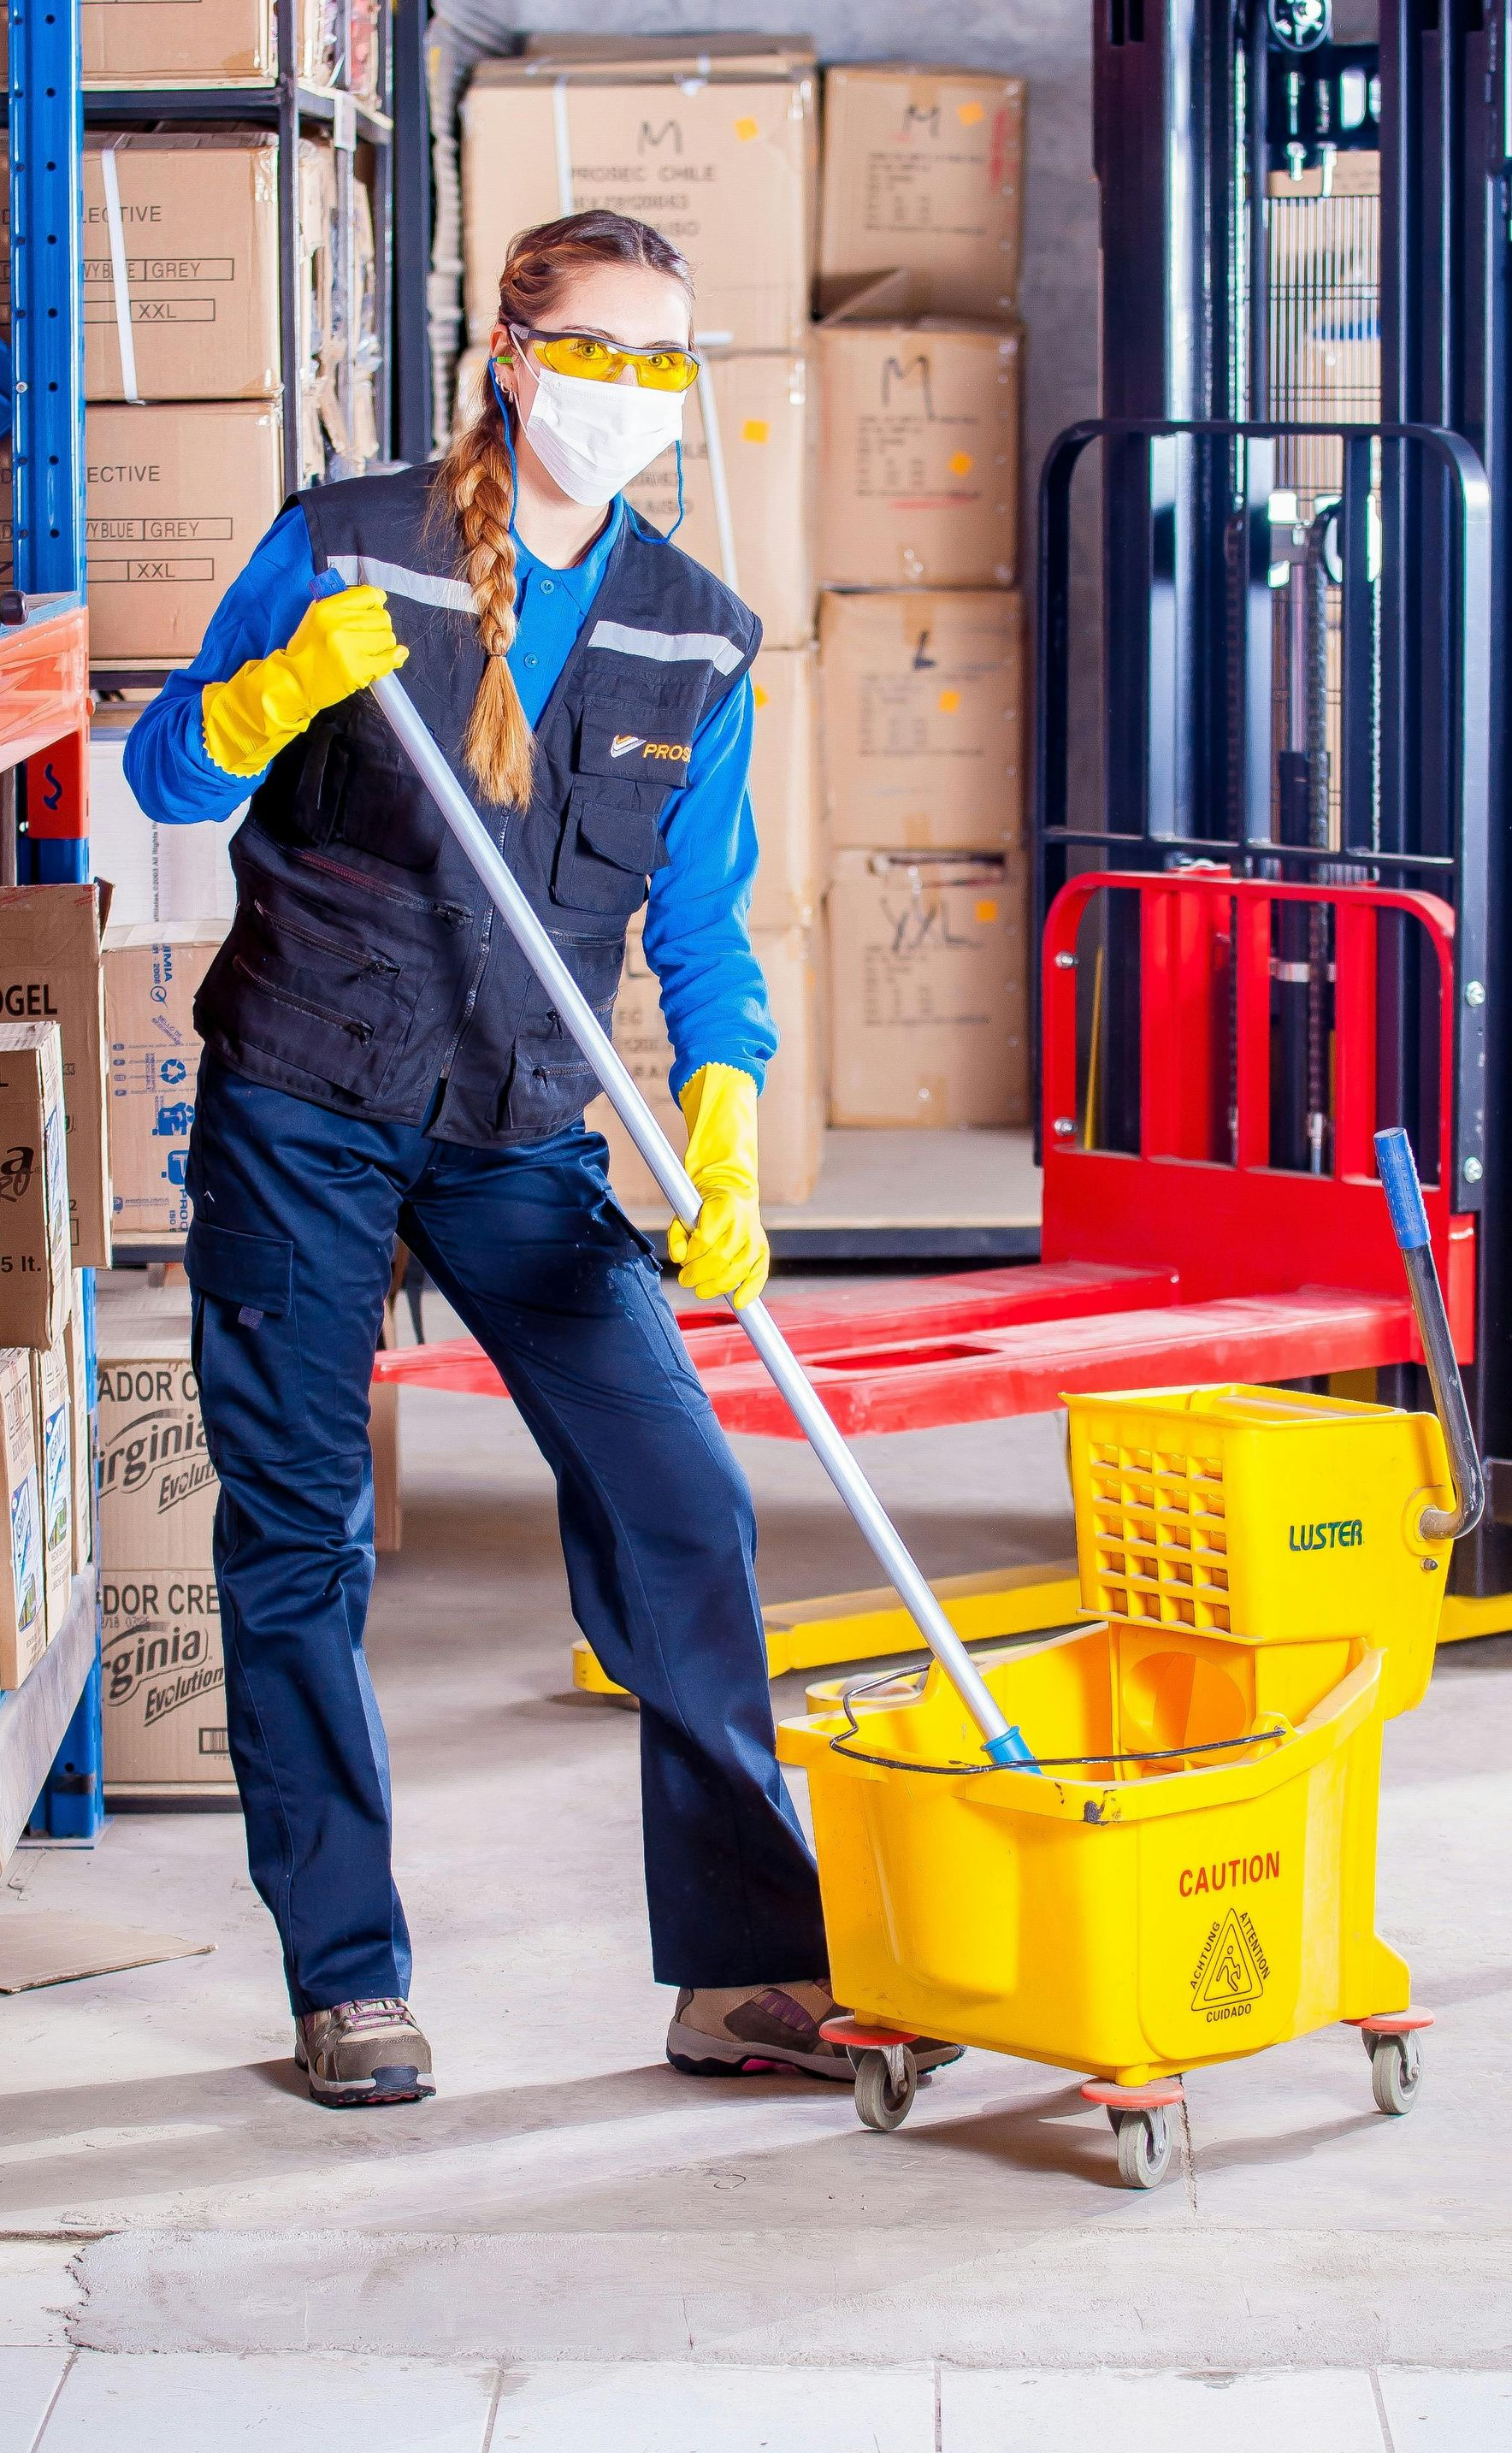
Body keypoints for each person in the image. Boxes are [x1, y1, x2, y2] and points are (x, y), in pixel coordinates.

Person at [127, 209, 962, 2110]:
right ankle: (346, 1980)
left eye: (664, 362)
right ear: (511, 357)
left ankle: (740, 1970)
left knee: (682, 1503)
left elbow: (703, 934)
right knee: (296, 1546)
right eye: (596, 352)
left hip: (519, 1126)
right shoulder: (349, 544)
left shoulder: (692, 624)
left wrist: (728, 1147)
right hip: (307, 1105)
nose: (630, 393)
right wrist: (265, 696)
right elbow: (168, 778)